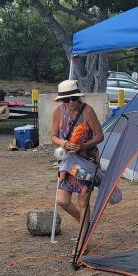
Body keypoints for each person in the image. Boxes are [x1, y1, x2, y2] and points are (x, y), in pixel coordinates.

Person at [50, 80, 104, 223]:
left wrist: (83, 146)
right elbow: (53, 136)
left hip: (86, 162)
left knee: (83, 198)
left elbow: (100, 136)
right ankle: (85, 224)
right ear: (62, 100)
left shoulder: (87, 111)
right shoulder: (58, 112)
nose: (71, 102)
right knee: (62, 200)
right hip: (68, 163)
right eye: (67, 99)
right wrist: (63, 143)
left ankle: (83, 240)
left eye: (74, 98)